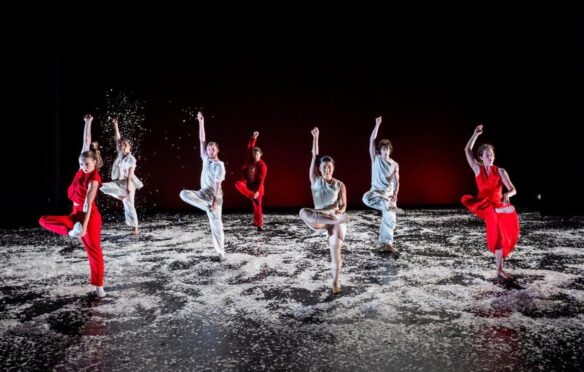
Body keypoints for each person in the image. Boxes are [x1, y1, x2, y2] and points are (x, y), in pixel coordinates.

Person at [39, 114, 107, 297]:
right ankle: (71, 231)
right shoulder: (82, 168)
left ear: (94, 162)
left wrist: (84, 228)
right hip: (75, 215)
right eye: (81, 163)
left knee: (94, 251)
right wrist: (88, 123)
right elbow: (86, 142)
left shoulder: (94, 179)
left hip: (89, 217)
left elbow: (89, 203)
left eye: (86, 163)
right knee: (43, 220)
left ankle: (99, 286)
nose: (83, 166)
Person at [461, 124, 520, 280]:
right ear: (481, 157)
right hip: (483, 204)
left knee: (499, 238)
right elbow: (467, 151)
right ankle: (499, 211)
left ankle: (499, 270)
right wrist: (475, 134)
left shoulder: (500, 171)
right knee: (488, 209)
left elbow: (513, 189)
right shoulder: (477, 169)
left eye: (492, 154)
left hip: (496, 208)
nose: (490, 156)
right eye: (487, 154)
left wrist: (508, 194)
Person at [299, 127, 348, 293]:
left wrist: (340, 212)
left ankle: (335, 283)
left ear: (333, 168)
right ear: (320, 169)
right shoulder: (314, 180)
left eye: (330, 167)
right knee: (302, 212)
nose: (327, 169)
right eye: (324, 167)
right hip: (320, 219)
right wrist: (315, 137)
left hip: (334, 218)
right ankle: (333, 222)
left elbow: (343, 205)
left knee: (335, 251)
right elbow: (314, 155)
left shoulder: (340, 184)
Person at [179, 112, 226, 260]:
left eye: (213, 149)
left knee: (216, 224)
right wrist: (201, 122)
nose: (210, 150)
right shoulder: (205, 158)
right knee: (183, 193)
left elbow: (218, 186)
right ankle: (205, 206)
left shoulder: (220, 165)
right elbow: (202, 139)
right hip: (202, 193)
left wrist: (214, 203)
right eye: (209, 148)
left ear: (217, 150)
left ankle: (221, 252)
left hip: (214, 195)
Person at [362, 116, 400, 253]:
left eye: (387, 149)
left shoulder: (395, 164)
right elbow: (371, 140)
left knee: (390, 218)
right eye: (383, 150)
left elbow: (397, 181)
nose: (385, 152)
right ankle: (387, 205)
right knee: (365, 198)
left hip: (387, 195)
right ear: (380, 151)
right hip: (375, 193)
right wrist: (377, 124)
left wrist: (395, 194)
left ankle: (388, 245)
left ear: (390, 150)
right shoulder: (375, 159)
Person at [100, 117, 143, 235]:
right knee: (101, 186)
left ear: (130, 147)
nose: (122, 146)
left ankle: (135, 228)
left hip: (128, 183)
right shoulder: (120, 154)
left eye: (125, 145)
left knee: (129, 205)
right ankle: (120, 196)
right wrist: (115, 125)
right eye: (122, 146)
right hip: (120, 183)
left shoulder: (131, 159)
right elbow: (118, 139)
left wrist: (129, 187)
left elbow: (130, 174)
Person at [235, 131, 267, 231]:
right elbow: (249, 147)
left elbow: (262, 179)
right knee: (237, 184)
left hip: (257, 187)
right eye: (254, 154)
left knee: (257, 205)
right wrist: (254, 137)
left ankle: (259, 225)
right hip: (248, 185)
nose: (255, 156)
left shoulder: (262, 165)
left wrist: (257, 191)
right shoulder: (250, 159)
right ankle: (251, 195)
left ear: (261, 154)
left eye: (257, 154)